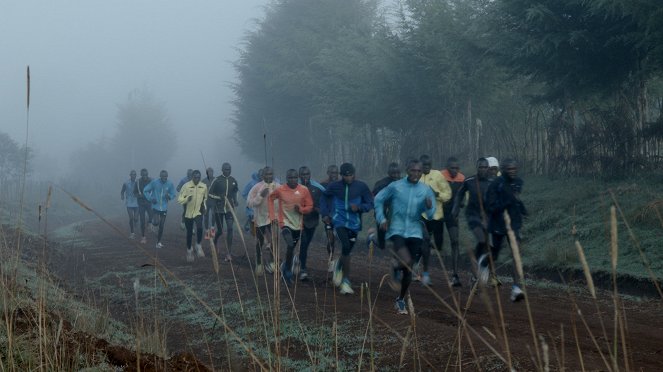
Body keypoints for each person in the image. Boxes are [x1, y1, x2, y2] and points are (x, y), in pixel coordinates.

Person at [375, 159, 435, 314]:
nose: (416, 174)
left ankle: (400, 300)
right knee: (407, 262)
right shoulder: (396, 186)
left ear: (422, 172)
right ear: (407, 170)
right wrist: (381, 218)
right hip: (397, 229)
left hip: (415, 231)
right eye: (413, 170)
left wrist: (428, 207)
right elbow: (378, 199)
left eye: (419, 171)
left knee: (409, 270)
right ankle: (395, 266)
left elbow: (430, 214)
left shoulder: (425, 189)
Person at [320, 163, 374, 295]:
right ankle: (346, 281)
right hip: (339, 221)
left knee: (347, 250)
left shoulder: (361, 186)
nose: (349, 178)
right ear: (341, 175)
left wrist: (360, 207)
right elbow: (323, 197)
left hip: (354, 224)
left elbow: (370, 203)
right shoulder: (335, 186)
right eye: (346, 175)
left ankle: (339, 265)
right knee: (345, 246)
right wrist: (325, 214)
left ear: (354, 174)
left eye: (351, 175)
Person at [486, 159, 528, 302]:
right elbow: (491, 206)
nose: (513, 171)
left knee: (516, 254)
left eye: (514, 169)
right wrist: (507, 201)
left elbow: (516, 198)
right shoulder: (496, 184)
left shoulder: (518, 182)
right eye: (509, 169)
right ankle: (488, 271)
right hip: (498, 224)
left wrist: (522, 209)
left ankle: (516, 288)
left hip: (514, 224)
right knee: (495, 254)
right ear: (503, 169)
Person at [451, 158, 493, 285]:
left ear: (488, 169)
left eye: (485, 167)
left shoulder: (493, 182)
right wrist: (455, 209)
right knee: (481, 239)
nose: (483, 170)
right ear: (477, 167)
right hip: (472, 216)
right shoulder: (469, 181)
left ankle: (478, 269)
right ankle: (478, 268)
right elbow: (459, 194)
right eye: (481, 167)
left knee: (487, 244)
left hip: (488, 217)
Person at [268, 169, 313, 285]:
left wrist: (302, 210)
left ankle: (285, 268)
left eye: (294, 178)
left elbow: (310, 206)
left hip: (298, 225)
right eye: (290, 178)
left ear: (297, 178)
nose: (292, 180)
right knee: (290, 244)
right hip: (284, 223)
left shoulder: (304, 190)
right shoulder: (280, 190)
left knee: (291, 248)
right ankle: (287, 273)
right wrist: (273, 217)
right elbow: (270, 199)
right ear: (286, 178)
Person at [417, 155, 452, 286]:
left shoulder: (437, 175)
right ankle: (425, 275)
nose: (426, 168)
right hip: (421, 216)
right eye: (423, 165)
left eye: (428, 165)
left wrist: (437, 195)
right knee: (425, 241)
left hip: (437, 216)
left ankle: (418, 253)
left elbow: (448, 194)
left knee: (438, 245)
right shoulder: (416, 176)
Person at [247, 166, 280, 275]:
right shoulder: (257, 187)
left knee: (273, 241)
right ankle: (259, 263)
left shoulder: (278, 187)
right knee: (260, 241)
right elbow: (249, 203)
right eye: (266, 174)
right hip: (260, 219)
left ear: (273, 174)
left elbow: (283, 202)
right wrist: (261, 196)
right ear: (262, 175)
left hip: (273, 219)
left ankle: (272, 264)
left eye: (270, 174)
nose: (269, 176)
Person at [441, 157, 465, 286]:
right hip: (438, 214)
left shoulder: (461, 178)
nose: (454, 170)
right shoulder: (440, 176)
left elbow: (462, 196)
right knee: (426, 239)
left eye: (456, 168)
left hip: (452, 215)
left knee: (455, 241)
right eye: (452, 168)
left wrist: (461, 203)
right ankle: (417, 267)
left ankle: (455, 275)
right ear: (447, 167)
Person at [208, 162, 239, 262]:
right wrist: (219, 197)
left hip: (229, 209)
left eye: (229, 169)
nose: (228, 171)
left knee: (230, 228)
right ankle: (215, 240)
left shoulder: (233, 180)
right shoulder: (217, 180)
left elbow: (235, 192)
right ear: (222, 170)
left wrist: (235, 200)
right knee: (221, 230)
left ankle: (229, 253)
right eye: (226, 169)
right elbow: (210, 194)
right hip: (219, 209)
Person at [297, 166, 324, 280]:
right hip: (298, 221)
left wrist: (319, 210)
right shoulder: (295, 189)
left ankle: (297, 262)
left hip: (312, 221)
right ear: (299, 176)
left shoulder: (316, 189)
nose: (305, 177)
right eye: (303, 175)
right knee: (303, 244)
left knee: (306, 245)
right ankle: (302, 269)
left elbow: (321, 204)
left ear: (310, 175)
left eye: (307, 174)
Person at [177, 170, 207, 262]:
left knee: (200, 228)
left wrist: (204, 207)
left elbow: (205, 199)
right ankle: (189, 251)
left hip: (198, 212)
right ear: (192, 177)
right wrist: (186, 199)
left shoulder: (203, 186)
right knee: (189, 233)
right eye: (195, 177)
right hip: (188, 213)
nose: (197, 179)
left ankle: (198, 245)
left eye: (198, 177)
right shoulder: (186, 186)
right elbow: (180, 199)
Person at [370, 162, 402, 250]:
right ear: (389, 173)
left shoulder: (403, 182)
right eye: (393, 173)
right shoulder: (381, 183)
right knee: (382, 237)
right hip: (383, 210)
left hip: (396, 211)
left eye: (398, 173)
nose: (396, 175)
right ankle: (375, 240)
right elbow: (375, 197)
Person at [143, 170, 177, 249]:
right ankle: (151, 223)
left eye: (166, 176)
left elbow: (173, 194)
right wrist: (151, 198)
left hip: (164, 207)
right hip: (155, 206)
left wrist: (169, 196)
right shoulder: (155, 182)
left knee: (161, 226)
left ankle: (158, 242)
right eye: (163, 176)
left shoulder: (170, 183)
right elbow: (145, 190)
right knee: (156, 223)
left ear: (167, 176)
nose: (164, 178)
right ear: (160, 176)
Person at [320, 164, 339, 270]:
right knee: (330, 240)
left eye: (336, 172)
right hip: (328, 217)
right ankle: (331, 261)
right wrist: (324, 215)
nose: (334, 175)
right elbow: (321, 201)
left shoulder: (342, 184)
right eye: (332, 172)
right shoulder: (323, 185)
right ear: (328, 173)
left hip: (341, 217)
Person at [133, 168, 153, 244]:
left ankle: (149, 222)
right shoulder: (137, 182)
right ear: (141, 175)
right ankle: (143, 237)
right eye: (143, 175)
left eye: (146, 174)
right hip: (141, 204)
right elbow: (134, 193)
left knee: (151, 215)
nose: (145, 176)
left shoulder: (151, 181)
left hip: (149, 203)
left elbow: (155, 190)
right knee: (142, 220)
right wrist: (139, 196)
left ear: (148, 174)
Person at [120, 170, 139, 239]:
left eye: (135, 174)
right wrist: (122, 196)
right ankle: (132, 233)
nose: (133, 176)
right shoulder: (126, 183)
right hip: (129, 203)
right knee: (131, 218)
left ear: (136, 175)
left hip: (137, 203)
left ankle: (136, 221)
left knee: (136, 218)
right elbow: (122, 191)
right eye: (132, 174)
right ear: (130, 175)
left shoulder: (138, 182)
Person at [202, 167, 216, 239]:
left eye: (211, 172)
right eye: (209, 172)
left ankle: (212, 228)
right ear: (207, 173)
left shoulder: (215, 180)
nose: (210, 173)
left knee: (214, 214)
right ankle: (207, 231)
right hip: (206, 201)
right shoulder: (203, 181)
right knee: (206, 216)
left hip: (213, 201)